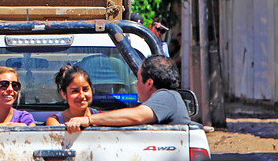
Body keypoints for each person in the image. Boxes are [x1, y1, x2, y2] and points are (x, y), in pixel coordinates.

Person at [62, 55, 190, 132]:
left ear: (149, 83)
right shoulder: (169, 98)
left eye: (138, 79)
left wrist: (88, 120)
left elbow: (136, 116)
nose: (135, 85)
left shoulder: (167, 97)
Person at [46, 65, 98, 130]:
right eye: (75, 91)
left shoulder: (102, 118)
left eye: (85, 89)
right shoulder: (55, 122)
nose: (81, 96)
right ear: (64, 94)